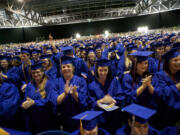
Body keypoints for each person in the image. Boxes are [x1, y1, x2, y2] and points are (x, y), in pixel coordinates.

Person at [54, 55, 88, 132]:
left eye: (68, 66)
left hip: (79, 116)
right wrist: (65, 94)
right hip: (63, 118)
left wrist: (74, 94)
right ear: (61, 69)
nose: (66, 68)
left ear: (73, 68)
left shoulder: (81, 81)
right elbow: (55, 101)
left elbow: (84, 101)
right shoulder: (56, 82)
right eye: (63, 67)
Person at [21, 62, 56, 134]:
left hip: (46, 118)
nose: (35, 74)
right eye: (33, 73)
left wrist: (34, 102)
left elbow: (50, 100)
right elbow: (26, 98)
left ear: (43, 72)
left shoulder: (49, 84)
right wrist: (24, 104)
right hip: (32, 118)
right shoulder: (30, 85)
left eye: (38, 72)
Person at [153, 47, 180, 127]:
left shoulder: (179, 75)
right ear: (168, 62)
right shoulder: (159, 76)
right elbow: (160, 94)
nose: (179, 62)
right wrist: (177, 86)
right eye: (175, 60)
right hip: (165, 116)